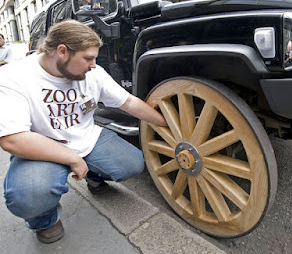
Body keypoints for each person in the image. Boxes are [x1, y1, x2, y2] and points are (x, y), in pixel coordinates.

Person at [0, 20, 168, 244]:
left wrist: (166, 123)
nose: (93, 65)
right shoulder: (14, 77)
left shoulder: (93, 73)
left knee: (133, 164)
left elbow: (128, 102)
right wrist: (71, 158)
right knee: (28, 196)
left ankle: (94, 175)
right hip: (42, 147)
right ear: (62, 51)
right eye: (88, 58)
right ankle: (45, 220)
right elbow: (13, 140)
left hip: (86, 138)